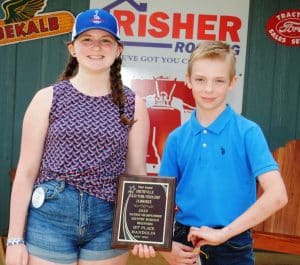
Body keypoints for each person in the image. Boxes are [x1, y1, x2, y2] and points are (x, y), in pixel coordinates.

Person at [5, 8, 153, 265]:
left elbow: (136, 173)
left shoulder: (133, 104)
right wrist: (15, 239)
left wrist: (140, 228)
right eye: (87, 39)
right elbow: (26, 172)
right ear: (73, 48)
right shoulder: (47, 98)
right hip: (50, 218)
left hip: (107, 221)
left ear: (118, 49)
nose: (96, 47)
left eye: (105, 40)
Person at [159, 41, 288, 265]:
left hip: (234, 242)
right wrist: (164, 248)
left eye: (219, 81)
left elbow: (277, 195)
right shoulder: (176, 139)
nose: (209, 89)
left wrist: (224, 233)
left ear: (232, 82)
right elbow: (159, 202)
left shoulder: (248, 132)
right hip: (184, 241)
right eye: (200, 79)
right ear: (188, 80)